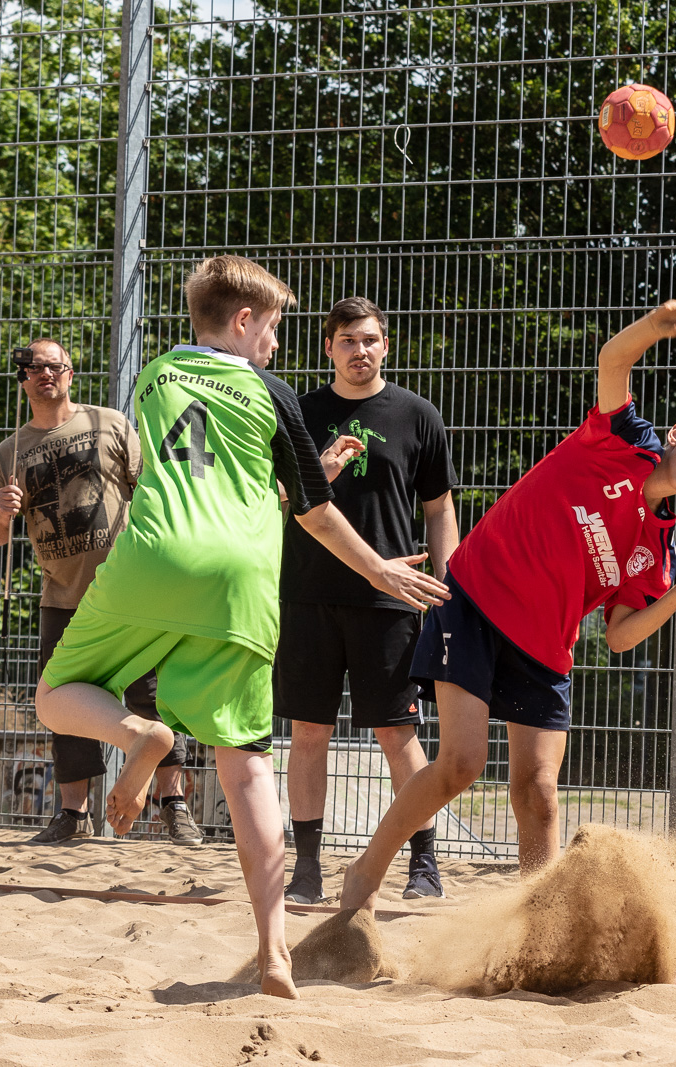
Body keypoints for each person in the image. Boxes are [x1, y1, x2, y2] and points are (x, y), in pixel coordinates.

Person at [33, 255, 450, 998]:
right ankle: (273, 950)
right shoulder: (275, 391)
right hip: (239, 584)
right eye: (275, 327)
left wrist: (304, 465)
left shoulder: (155, 373)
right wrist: (381, 569)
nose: (278, 344)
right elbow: (313, 510)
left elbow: (210, 462)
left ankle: (138, 736)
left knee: (58, 691)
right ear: (245, 321)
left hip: (153, 557)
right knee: (247, 762)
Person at [336, 296, 676, 913]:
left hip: (544, 643)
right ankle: (365, 876)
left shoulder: (659, 545)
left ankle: (536, 929)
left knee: (538, 791)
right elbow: (613, 361)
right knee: (460, 764)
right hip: (478, 599)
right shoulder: (622, 439)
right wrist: (654, 326)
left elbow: (621, 636)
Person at [0, 338, 200, 846]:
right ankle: (73, 814)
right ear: (23, 379)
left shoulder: (109, 424)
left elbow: (151, 491)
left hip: (130, 589)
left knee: (152, 698)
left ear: (71, 373)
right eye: (34, 368)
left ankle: (173, 804)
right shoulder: (10, 452)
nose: (44, 375)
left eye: (54, 366)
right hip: (63, 596)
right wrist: (3, 512)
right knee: (68, 704)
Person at [277, 297, 460, 903]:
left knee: (397, 736)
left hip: (391, 599)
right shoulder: (299, 413)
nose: (361, 351)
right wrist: (317, 474)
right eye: (349, 341)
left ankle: (424, 863)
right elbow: (273, 502)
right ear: (328, 347)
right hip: (307, 596)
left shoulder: (416, 415)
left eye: (371, 340)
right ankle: (306, 868)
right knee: (308, 733)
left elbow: (438, 509)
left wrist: (447, 579)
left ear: (386, 346)